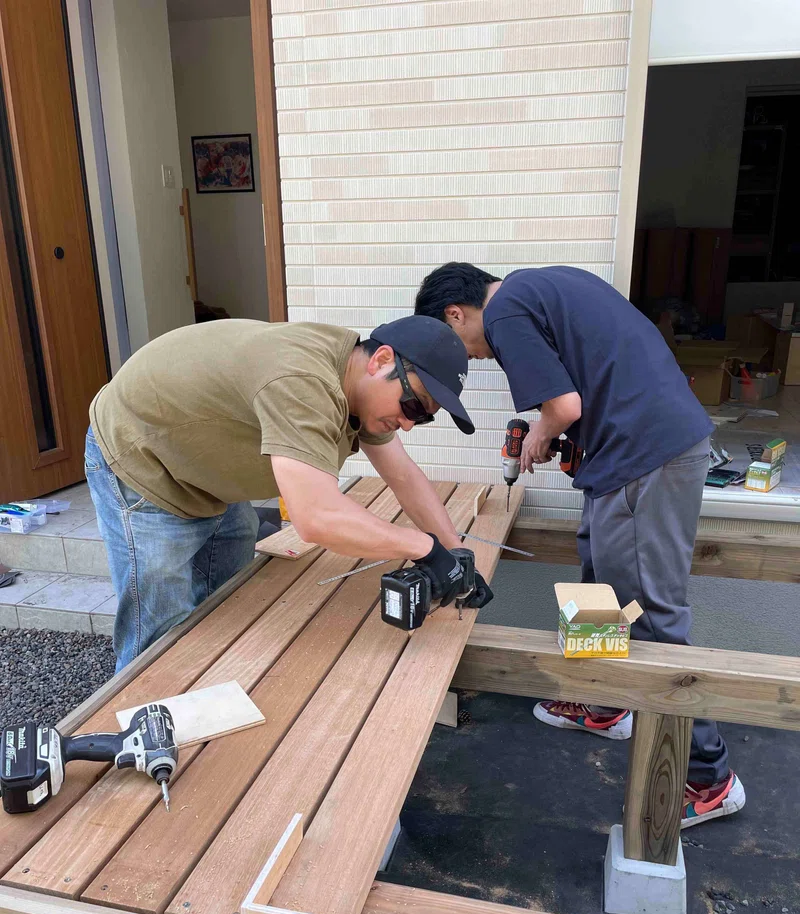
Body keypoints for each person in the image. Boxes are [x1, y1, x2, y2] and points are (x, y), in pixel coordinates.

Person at [415, 263, 745, 829]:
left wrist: (540, 434)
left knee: (650, 615)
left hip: (648, 456)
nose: (471, 357)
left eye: (458, 344)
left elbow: (564, 407)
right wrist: (555, 430)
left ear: (456, 313)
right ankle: (605, 704)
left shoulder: (506, 311)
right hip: (628, 457)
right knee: (598, 579)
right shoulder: (540, 287)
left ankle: (709, 777)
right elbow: (587, 389)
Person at [86, 315, 493, 672]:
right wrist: (424, 548)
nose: (408, 423)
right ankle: (137, 717)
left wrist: (456, 552)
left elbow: (402, 475)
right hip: (143, 458)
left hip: (203, 472)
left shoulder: (357, 384)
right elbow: (316, 518)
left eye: (422, 419)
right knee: (159, 634)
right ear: (382, 360)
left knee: (228, 605)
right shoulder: (304, 381)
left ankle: (205, 693)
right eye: (414, 406)